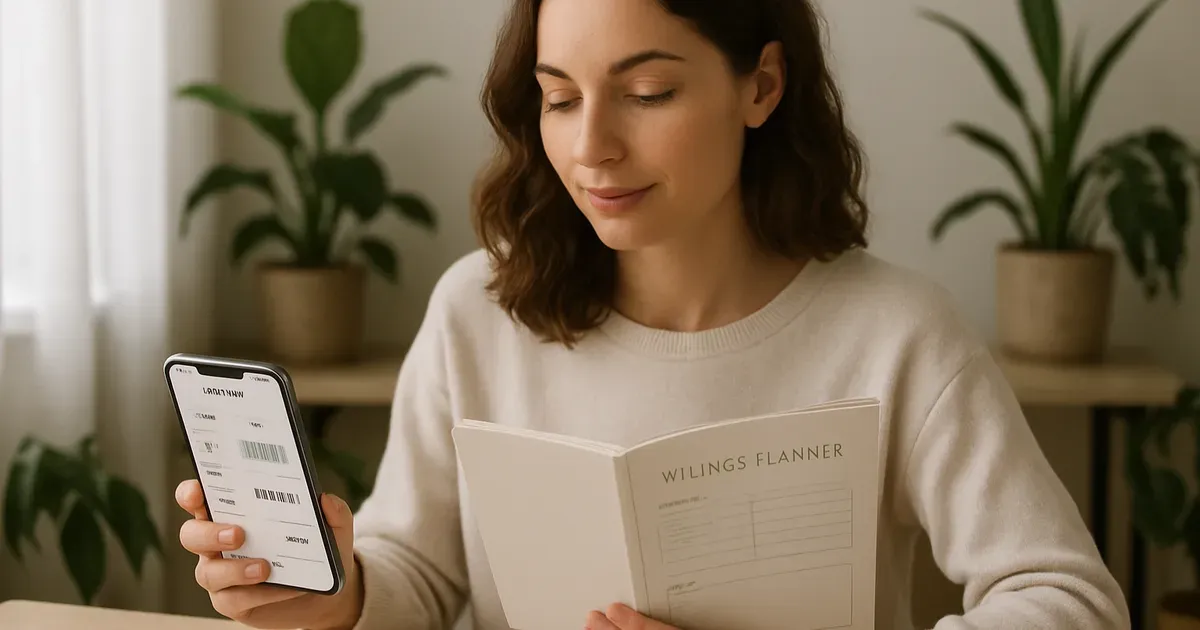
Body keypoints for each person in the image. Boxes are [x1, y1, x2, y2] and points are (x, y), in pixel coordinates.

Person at [174, 0, 1132, 628]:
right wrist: (334, 598)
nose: (592, 146)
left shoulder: (897, 333)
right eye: (558, 99)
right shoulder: (479, 309)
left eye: (647, 93)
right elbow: (417, 572)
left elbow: (1067, 600)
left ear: (760, 86)